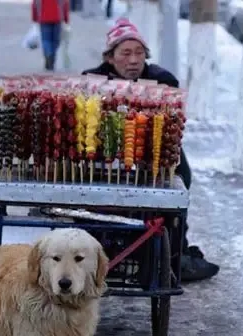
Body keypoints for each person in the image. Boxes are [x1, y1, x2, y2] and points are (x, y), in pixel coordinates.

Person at [82, 18, 220, 282]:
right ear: (110, 58)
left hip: (153, 154)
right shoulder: (92, 79)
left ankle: (173, 253)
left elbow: (174, 123)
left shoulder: (163, 79)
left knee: (181, 176)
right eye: (125, 53)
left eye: (139, 53)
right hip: (105, 154)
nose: (134, 60)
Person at [32, 0, 69, 71]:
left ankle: (49, 56)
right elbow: (65, 3)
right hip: (56, 18)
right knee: (55, 41)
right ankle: (51, 57)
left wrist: (34, 17)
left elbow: (35, 4)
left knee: (46, 40)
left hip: (44, 18)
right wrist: (66, 18)